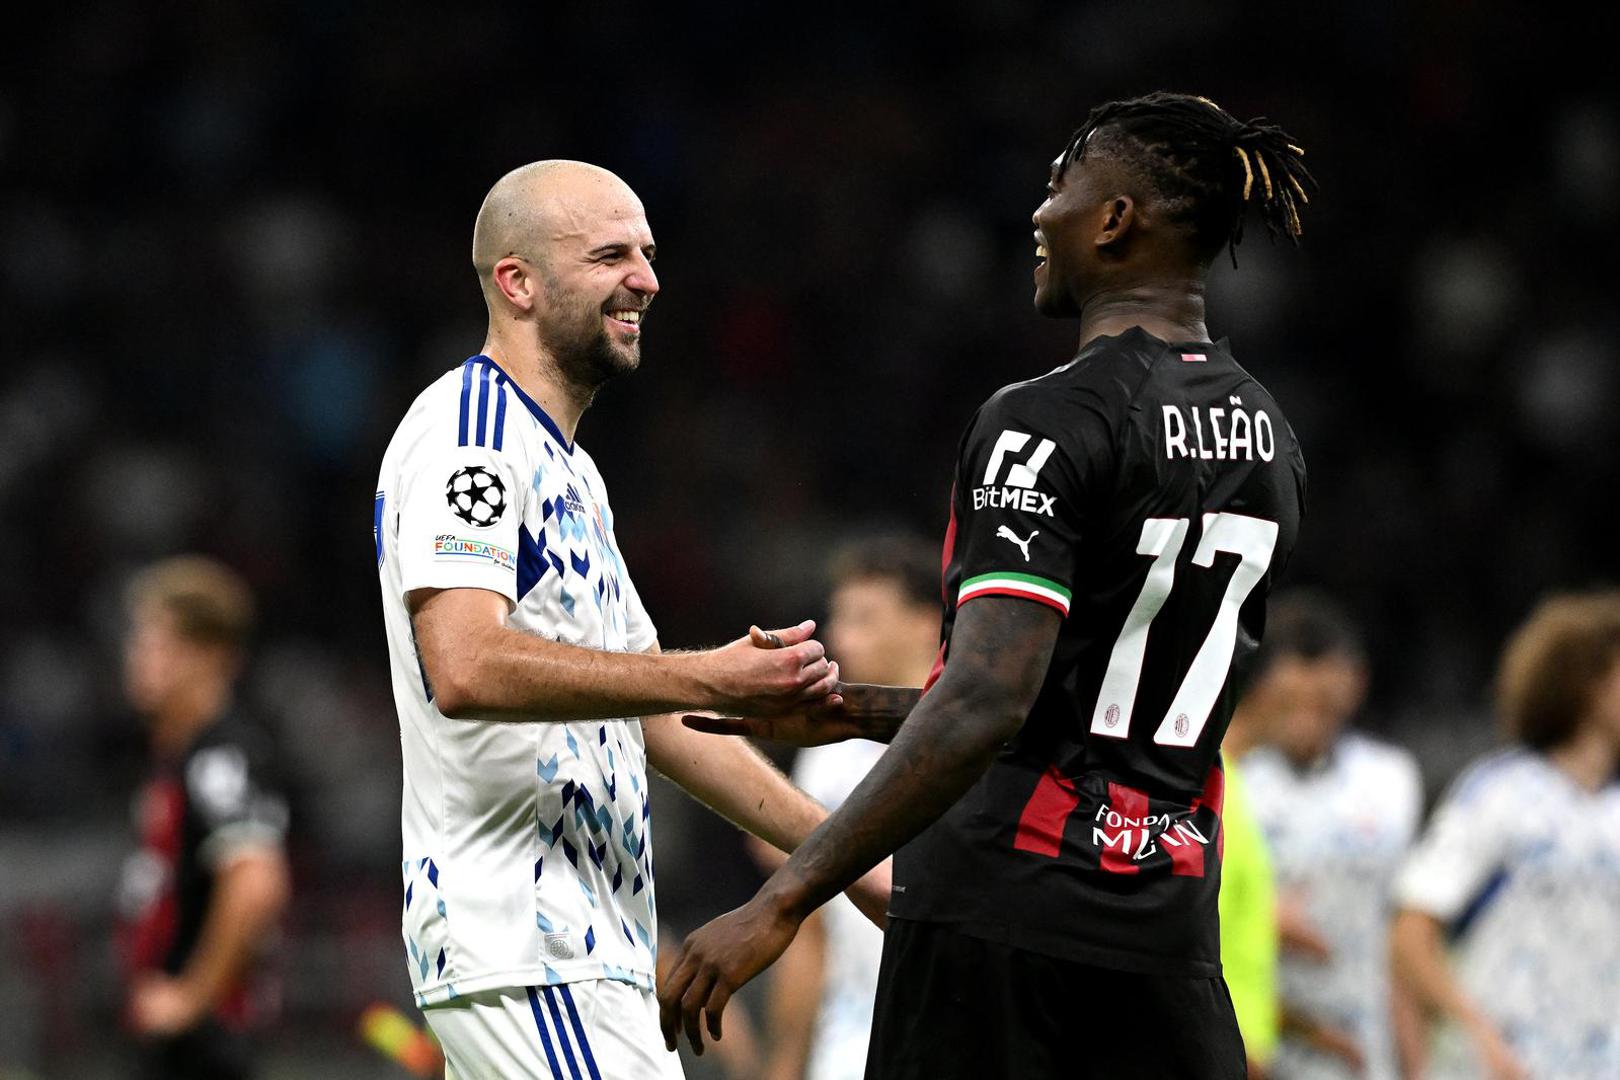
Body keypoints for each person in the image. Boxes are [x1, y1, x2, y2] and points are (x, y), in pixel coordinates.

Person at [661, 91, 1314, 1079]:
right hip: (1164, 920)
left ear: (1114, 220)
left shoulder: (1049, 418)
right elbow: (1088, 699)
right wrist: (853, 712)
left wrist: (781, 899)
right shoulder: (1269, 434)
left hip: (1002, 919)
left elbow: (987, 696)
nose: (1040, 217)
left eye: (1060, 186)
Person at [372, 159, 888, 1079]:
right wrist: (710, 674)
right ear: (517, 282)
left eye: (646, 254)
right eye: (610, 255)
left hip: (579, 955)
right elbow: (463, 663)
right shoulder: (471, 437)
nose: (647, 279)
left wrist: (854, 867)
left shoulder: (571, 471)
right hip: (531, 947)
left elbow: (660, 715)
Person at [1391, 590, 1620, 1080]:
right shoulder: (1501, 795)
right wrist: (1477, 1033)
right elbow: (1410, 935)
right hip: (1505, 1067)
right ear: (1588, 684)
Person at [752, 536, 942, 1080]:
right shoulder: (825, 760)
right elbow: (809, 925)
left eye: (866, 617)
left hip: (953, 1034)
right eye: (841, 616)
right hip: (849, 1041)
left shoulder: (982, 749)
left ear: (926, 622)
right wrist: (785, 1063)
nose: (841, 634)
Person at [115, 557, 292, 1080]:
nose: (135, 658)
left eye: (152, 642)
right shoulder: (183, 757)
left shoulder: (221, 757)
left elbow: (257, 882)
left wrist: (192, 998)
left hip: (205, 1048)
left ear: (204, 656)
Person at [1239, 593, 1424, 1079]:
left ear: (1354, 684)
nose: (1307, 717)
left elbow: (1395, 929)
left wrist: (1414, 1060)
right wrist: (1261, 915)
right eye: (1293, 701)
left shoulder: (1391, 781)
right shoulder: (1232, 781)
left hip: (1365, 1051)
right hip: (1257, 1043)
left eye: (1322, 702)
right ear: (1263, 690)